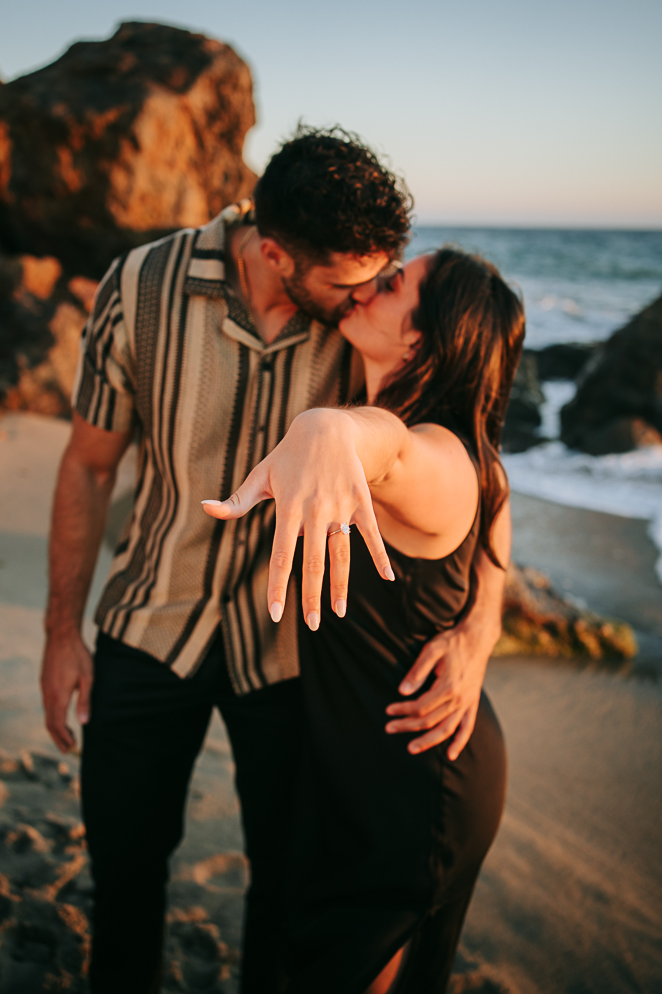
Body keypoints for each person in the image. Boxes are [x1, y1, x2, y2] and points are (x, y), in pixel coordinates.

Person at [40, 126, 508, 992]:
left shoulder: (370, 329)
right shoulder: (139, 286)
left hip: (294, 664)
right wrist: (60, 632)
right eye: (350, 279)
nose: (368, 291)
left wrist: (479, 624)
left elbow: (471, 469)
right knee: (126, 875)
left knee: (287, 899)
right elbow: (88, 464)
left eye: (384, 275)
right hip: (149, 623)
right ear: (274, 254)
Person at [203, 246, 524, 991]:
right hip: (359, 762)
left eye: (393, 285)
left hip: (419, 781)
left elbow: (398, 455)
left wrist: (331, 430)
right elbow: (493, 486)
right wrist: (486, 618)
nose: (367, 290)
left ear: (418, 341)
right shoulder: (436, 425)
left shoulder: (430, 448)